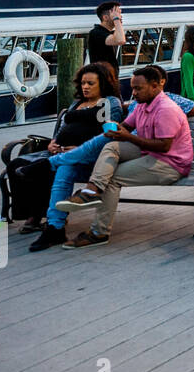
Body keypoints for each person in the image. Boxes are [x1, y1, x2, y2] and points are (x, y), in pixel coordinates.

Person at [55, 64, 193, 248]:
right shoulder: (143, 105)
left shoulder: (166, 109)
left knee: (112, 179)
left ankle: (99, 233)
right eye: (133, 88)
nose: (133, 93)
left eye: (138, 88)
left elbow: (164, 146)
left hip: (169, 162)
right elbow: (126, 126)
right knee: (113, 146)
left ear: (155, 86)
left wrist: (127, 136)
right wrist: (113, 127)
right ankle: (92, 190)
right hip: (148, 152)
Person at [25, 63, 126, 251]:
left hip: (96, 160)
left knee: (67, 162)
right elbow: (64, 128)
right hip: (68, 156)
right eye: (82, 83)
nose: (85, 87)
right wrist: (53, 142)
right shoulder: (76, 103)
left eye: (90, 83)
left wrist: (80, 147)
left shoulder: (110, 103)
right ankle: (55, 228)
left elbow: (109, 134)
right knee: (66, 167)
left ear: (102, 84)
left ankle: (53, 224)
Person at [88, 1, 125, 71]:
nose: (120, 16)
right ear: (105, 17)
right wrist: (116, 19)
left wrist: (117, 22)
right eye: (117, 13)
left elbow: (119, 38)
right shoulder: (96, 33)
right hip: (102, 78)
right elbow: (120, 40)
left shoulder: (109, 33)